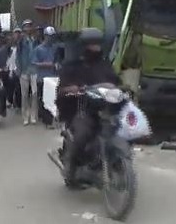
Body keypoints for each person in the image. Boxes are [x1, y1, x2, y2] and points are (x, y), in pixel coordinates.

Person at [57, 28, 119, 179]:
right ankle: (71, 164)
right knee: (82, 134)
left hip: (105, 110)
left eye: (98, 44)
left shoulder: (104, 64)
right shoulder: (72, 66)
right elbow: (62, 89)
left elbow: (115, 81)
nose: (96, 47)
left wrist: (120, 87)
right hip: (82, 110)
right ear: (84, 46)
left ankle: (117, 163)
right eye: (92, 44)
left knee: (125, 131)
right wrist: (71, 89)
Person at [32, 26, 58, 127]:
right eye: (49, 36)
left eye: (52, 36)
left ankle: (50, 119)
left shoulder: (55, 48)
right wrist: (48, 64)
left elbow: (57, 61)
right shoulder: (38, 49)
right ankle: (46, 120)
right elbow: (34, 63)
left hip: (53, 77)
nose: (50, 38)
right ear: (45, 36)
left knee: (52, 99)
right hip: (42, 78)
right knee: (44, 99)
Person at [17, 20, 39, 125]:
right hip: (24, 70)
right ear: (23, 29)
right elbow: (18, 56)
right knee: (24, 95)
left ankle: (33, 116)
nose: (28, 29)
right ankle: (25, 116)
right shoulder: (21, 41)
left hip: (34, 69)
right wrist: (19, 70)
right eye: (26, 27)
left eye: (29, 26)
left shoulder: (36, 40)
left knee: (34, 94)